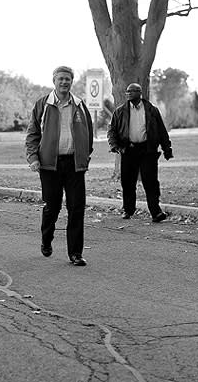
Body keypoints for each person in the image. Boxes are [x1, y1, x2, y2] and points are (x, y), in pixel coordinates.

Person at [25, 66, 93, 266]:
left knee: (76, 208)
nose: (64, 82)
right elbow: (32, 135)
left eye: (68, 79)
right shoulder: (43, 104)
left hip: (74, 165)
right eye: (61, 79)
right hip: (49, 166)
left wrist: (85, 157)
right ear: (54, 81)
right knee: (52, 207)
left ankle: (75, 254)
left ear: (72, 81)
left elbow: (88, 133)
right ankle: (46, 239)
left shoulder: (79, 104)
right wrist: (33, 158)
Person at [107, 82, 173, 222]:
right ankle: (128, 210)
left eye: (132, 91)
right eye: (127, 91)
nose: (129, 93)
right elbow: (112, 130)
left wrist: (167, 148)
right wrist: (114, 145)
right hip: (128, 150)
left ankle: (156, 212)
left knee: (151, 182)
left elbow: (161, 130)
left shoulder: (151, 110)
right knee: (128, 183)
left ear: (140, 93)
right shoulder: (120, 111)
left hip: (147, 151)